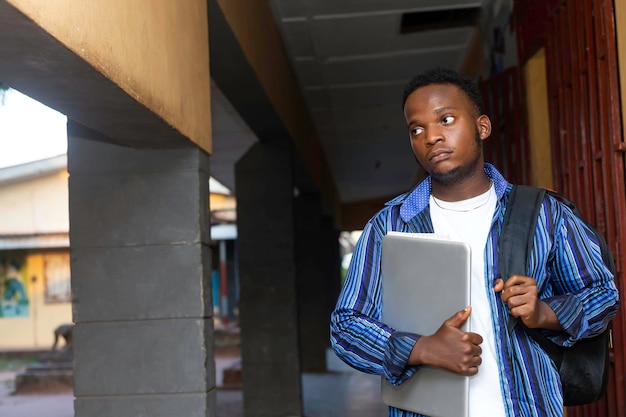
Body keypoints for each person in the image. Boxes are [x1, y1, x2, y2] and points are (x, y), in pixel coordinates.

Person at [330, 67, 619, 417]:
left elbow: (602, 294)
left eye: (446, 119)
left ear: (482, 126)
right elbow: (346, 326)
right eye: (416, 129)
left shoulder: (543, 213)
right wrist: (420, 349)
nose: (431, 136)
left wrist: (545, 312)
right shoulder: (389, 227)